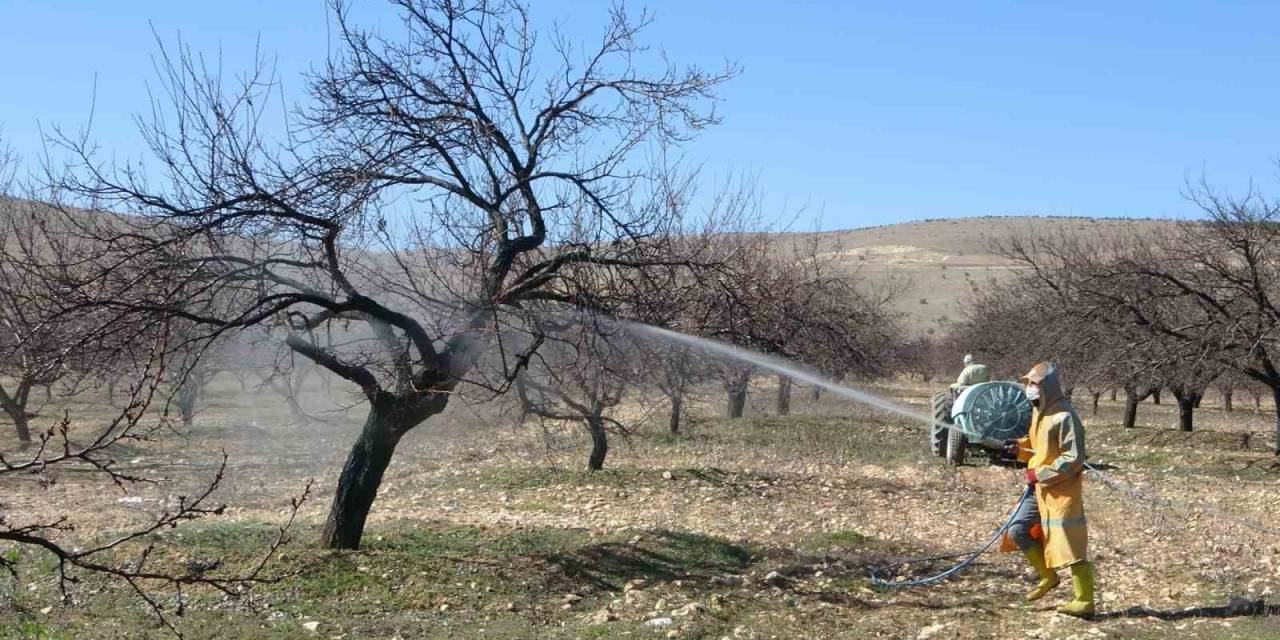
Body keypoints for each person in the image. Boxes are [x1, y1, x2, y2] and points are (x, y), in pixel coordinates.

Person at [998, 362, 1096, 617]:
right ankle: (1048, 577)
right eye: (1029, 383)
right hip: (1037, 490)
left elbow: (1073, 457)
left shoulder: (1065, 416)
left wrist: (1040, 473)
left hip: (1060, 491)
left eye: (1035, 384)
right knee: (1018, 530)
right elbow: (1035, 445)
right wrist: (1018, 448)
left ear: (1048, 387)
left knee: (1070, 543)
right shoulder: (1039, 413)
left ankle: (1084, 600)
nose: (1029, 389)